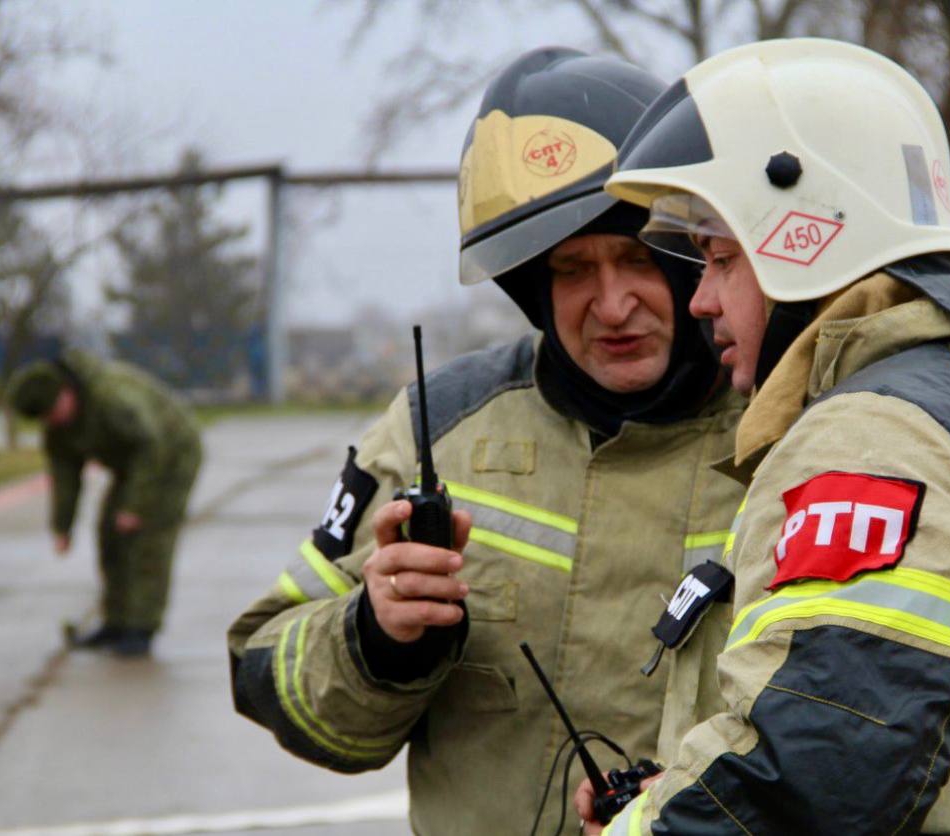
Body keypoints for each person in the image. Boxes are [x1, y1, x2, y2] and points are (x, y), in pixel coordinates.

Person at [582, 38, 950, 835]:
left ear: (809, 234)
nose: (702, 299)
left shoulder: (874, 432)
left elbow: (816, 762)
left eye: (719, 258)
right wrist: (670, 790)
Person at [226, 47, 744, 834]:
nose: (611, 305)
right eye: (573, 269)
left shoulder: (791, 434)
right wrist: (378, 637)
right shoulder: (441, 428)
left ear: (690, 259)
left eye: (637, 259)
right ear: (533, 289)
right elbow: (263, 667)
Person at [6, 349, 202, 657]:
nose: (52, 420)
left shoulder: (111, 398)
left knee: (147, 540)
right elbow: (65, 475)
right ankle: (117, 622)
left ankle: (141, 628)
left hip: (171, 456)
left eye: (54, 410)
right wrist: (62, 526)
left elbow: (151, 445)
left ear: (66, 391)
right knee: (110, 534)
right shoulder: (58, 427)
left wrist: (136, 506)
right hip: (133, 465)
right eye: (45, 418)